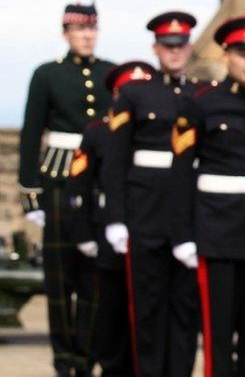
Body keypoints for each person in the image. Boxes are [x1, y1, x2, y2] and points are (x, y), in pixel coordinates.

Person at [170, 16, 245, 377]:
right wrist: (183, 235)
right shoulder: (201, 103)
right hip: (218, 234)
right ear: (227, 55)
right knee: (218, 337)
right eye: (243, 53)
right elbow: (181, 173)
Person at [102, 12, 200, 376]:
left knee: (185, 310)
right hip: (146, 212)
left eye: (180, 45)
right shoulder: (133, 93)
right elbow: (115, 160)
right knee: (147, 309)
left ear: (189, 47)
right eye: (167, 46)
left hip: (188, 215)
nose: (174, 52)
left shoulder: (200, 94)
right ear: (156, 48)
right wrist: (116, 217)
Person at [18, 2, 114, 376]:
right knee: (59, 279)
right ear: (66, 34)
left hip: (97, 181)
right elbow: (30, 135)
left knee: (94, 276)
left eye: (92, 29)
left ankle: (86, 356)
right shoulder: (46, 75)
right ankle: (64, 361)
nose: (87, 36)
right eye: (79, 30)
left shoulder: (109, 73)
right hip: (58, 176)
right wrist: (31, 193)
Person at [68, 61, 154, 375]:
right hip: (109, 236)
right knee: (110, 315)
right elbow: (78, 186)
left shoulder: (157, 132)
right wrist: (84, 234)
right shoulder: (98, 133)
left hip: (148, 231)